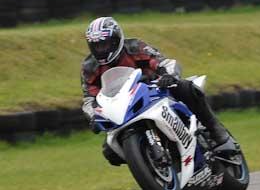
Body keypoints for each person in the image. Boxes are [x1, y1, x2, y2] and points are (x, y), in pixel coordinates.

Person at [81, 16, 235, 165]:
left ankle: (216, 131)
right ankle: (147, 160)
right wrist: (93, 116)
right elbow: (89, 98)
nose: (101, 50)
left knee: (186, 87)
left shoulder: (135, 46)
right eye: (96, 46)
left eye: (105, 44)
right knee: (110, 152)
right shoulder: (89, 67)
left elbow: (164, 62)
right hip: (123, 107)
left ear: (116, 40)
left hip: (156, 90)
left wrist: (169, 75)